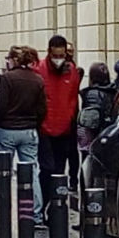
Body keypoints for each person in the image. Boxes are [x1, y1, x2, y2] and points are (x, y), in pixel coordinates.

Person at [0, 46, 47, 225]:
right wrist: (34, 124)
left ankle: (4, 213)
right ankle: (35, 214)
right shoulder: (38, 80)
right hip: (29, 130)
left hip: (7, 129)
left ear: (14, 60)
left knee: (4, 173)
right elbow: (42, 109)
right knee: (32, 171)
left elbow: (1, 106)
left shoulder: (7, 78)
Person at [34, 35, 81, 223]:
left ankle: (54, 209)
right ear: (49, 52)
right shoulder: (39, 70)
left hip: (65, 131)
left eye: (62, 56)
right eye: (56, 56)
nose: (59, 59)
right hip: (44, 130)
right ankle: (42, 208)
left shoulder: (72, 72)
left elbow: (73, 100)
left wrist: (71, 121)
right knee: (47, 169)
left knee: (59, 171)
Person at [77, 62, 114, 157]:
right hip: (109, 133)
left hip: (94, 137)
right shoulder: (113, 91)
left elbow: (89, 121)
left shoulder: (92, 94)